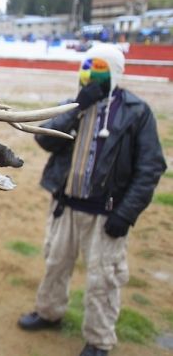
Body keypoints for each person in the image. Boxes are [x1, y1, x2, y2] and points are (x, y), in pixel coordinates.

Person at [17, 44, 167, 356]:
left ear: (112, 73)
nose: (88, 76)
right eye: (85, 68)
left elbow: (150, 167)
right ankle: (49, 312)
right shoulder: (73, 105)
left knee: (103, 278)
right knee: (55, 265)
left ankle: (99, 339)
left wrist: (125, 214)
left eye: (96, 69)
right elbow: (44, 138)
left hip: (106, 214)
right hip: (66, 207)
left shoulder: (136, 112)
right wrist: (76, 107)